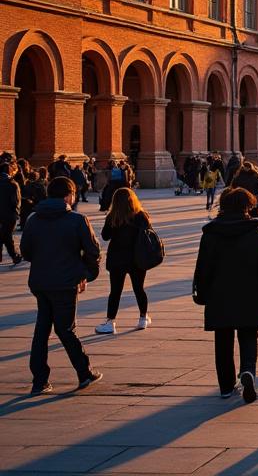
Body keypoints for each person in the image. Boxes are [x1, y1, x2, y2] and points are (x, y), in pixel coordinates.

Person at [191, 187, 258, 403]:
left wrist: (201, 294)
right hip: (249, 295)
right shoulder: (256, 234)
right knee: (248, 335)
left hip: (219, 296)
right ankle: (248, 370)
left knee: (222, 340)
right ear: (247, 207)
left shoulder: (210, 234)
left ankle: (225, 386)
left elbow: (202, 268)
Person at [21, 176, 102, 395]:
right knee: (66, 329)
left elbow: (26, 252)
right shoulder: (77, 220)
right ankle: (84, 372)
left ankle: (39, 380)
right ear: (69, 195)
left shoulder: (33, 219)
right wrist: (85, 274)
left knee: (42, 330)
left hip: (40, 282)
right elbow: (93, 251)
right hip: (65, 283)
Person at [96, 188, 155, 334]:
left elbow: (105, 236)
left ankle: (110, 322)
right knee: (139, 288)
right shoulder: (141, 216)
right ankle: (143, 318)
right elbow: (149, 234)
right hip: (137, 258)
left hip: (117, 259)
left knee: (115, 291)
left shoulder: (113, 217)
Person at [0, 158, 22, 266]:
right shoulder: (12, 184)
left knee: (4, 234)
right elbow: (16, 201)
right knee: (7, 235)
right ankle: (14, 256)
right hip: (9, 214)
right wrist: (17, 212)